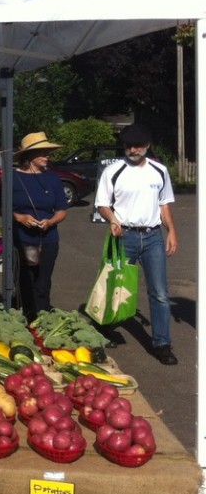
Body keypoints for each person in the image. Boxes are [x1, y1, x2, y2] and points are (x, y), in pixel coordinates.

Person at [95, 123, 178, 365]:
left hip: (153, 237)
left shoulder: (159, 170)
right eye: (129, 145)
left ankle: (162, 344)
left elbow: (164, 205)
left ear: (147, 145)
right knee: (116, 286)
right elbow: (102, 204)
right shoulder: (114, 171)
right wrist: (112, 220)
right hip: (124, 236)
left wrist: (171, 231)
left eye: (138, 145)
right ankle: (105, 327)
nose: (133, 149)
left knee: (160, 293)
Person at [9, 132, 68, 321]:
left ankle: (41, 321)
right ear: (29, 156)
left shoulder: (53, 179)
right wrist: (19, 217)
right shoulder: (11, 178)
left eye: (48, 152)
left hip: (48, 240)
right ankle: (25, 319)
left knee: (43, 284)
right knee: (25, 282)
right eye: (43, 152)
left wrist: (50, 222)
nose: (47, 156)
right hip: (21, 239)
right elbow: (2, 209)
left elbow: (61, 210)